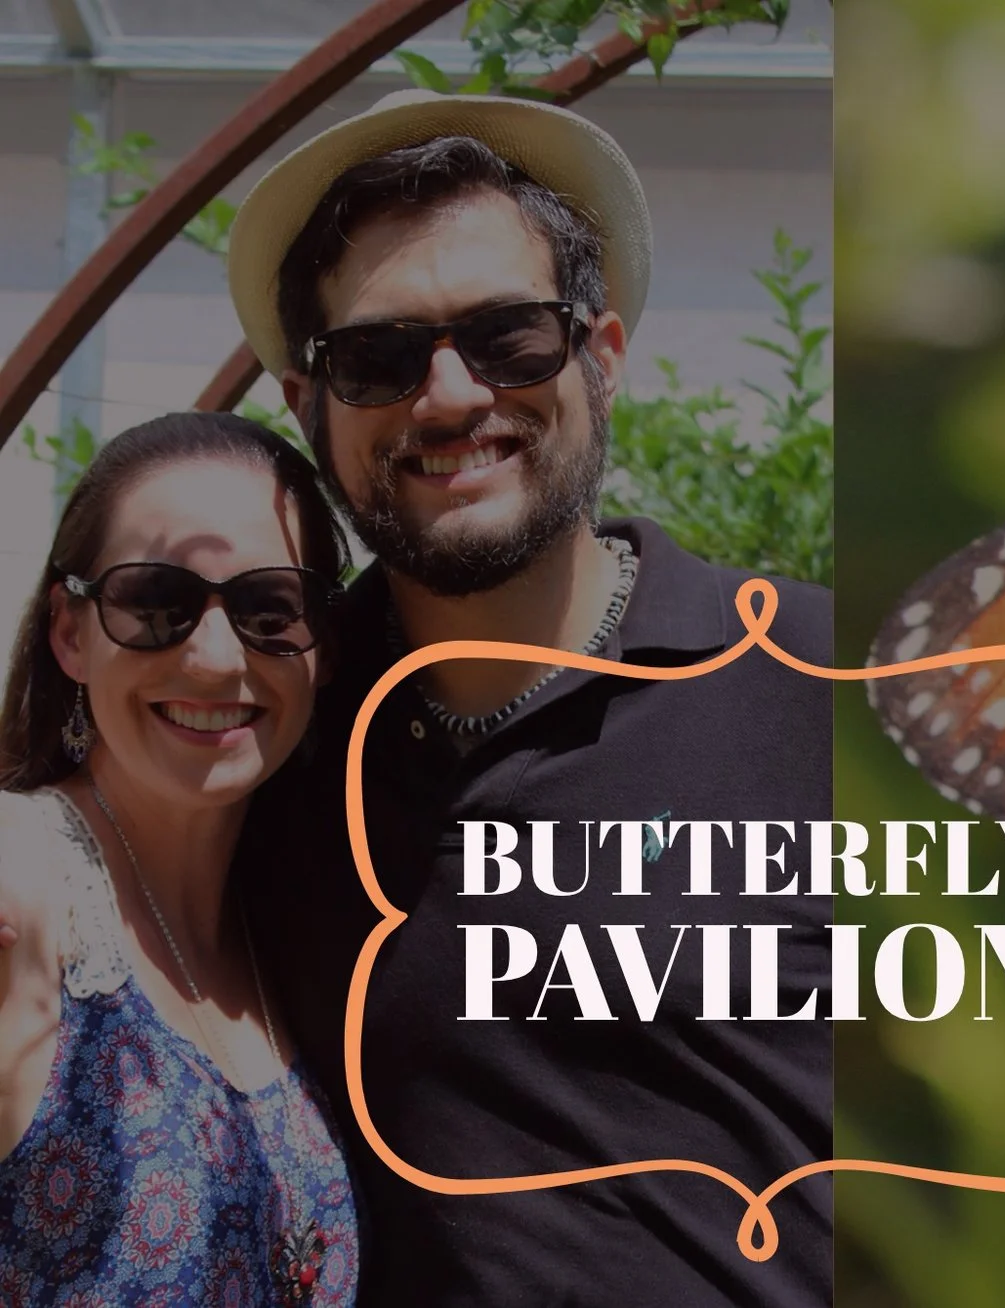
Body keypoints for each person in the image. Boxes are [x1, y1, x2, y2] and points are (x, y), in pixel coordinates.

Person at [223, 90, 834, 1305]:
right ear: (308, 405)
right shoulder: (267, 733)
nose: (448, 399)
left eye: (508, 338)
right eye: (380, 359)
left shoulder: (824, 680)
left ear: (599, 356)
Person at [0, 411, 359, 1305]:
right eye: (155, 603)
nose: (212, 658)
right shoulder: (27, 881)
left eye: (271, 610)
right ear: (70, 633)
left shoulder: (289, 922)